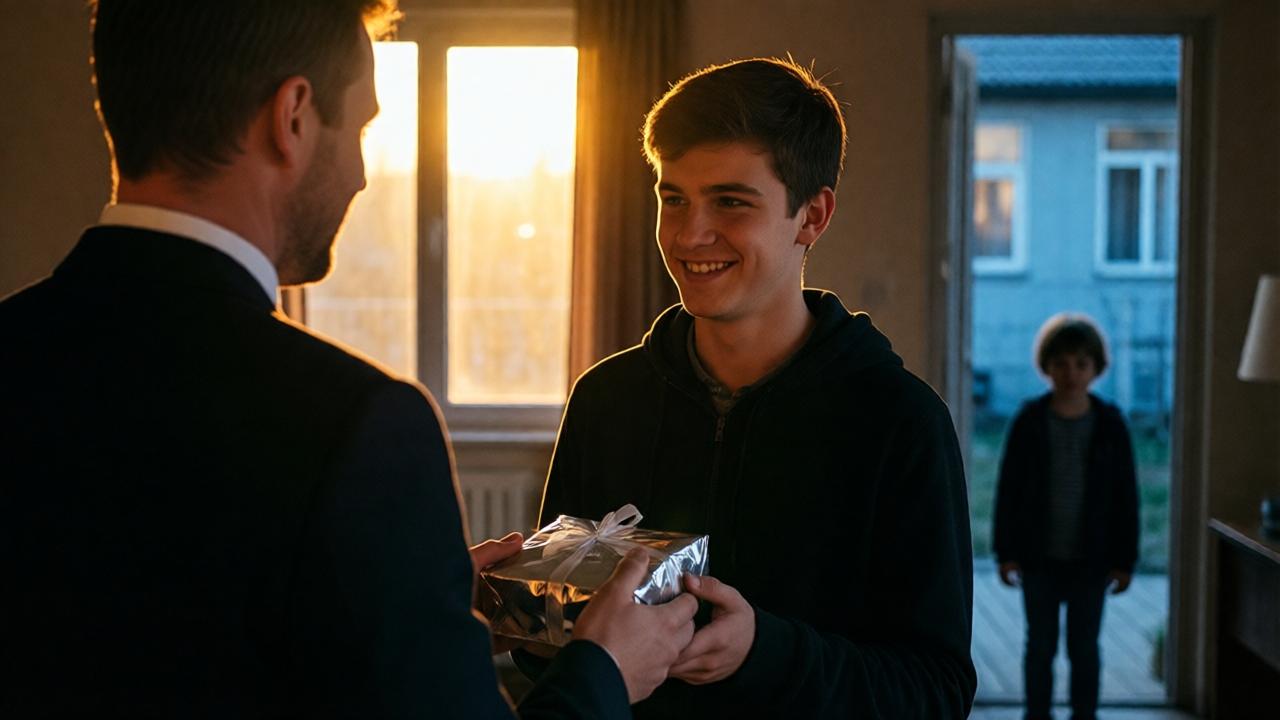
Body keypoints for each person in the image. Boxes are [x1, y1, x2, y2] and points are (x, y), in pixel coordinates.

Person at [0, 2, 696, 717]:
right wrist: (604, 670)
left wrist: (405, 596)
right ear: (293, 116)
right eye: (362, 127)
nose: (363, 175)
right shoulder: (356, 426)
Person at [522, 57, 977, 718]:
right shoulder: (604, 400)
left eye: (730, 202)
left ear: (812, 217)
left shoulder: (900, 421)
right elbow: (550, 641)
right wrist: (514, 611)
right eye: (672, 197)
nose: (687, 234)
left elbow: (935, 692)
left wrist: (767, 652)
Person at [993, 313, 1140, 720]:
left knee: (1084, 647)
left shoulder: (1110, 424)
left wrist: (1124, 560)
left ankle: (1083, 715)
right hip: (1039, 557)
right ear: (1046, 366)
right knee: (1039, 646)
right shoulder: (1029, 421)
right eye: (1061, 363)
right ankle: (1036, 714)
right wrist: (1005, 551)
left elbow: (1127, 496)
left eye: (1080, 363)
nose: (1071, 373)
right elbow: (1009, 489)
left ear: (1095, 368)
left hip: (1091, 560)